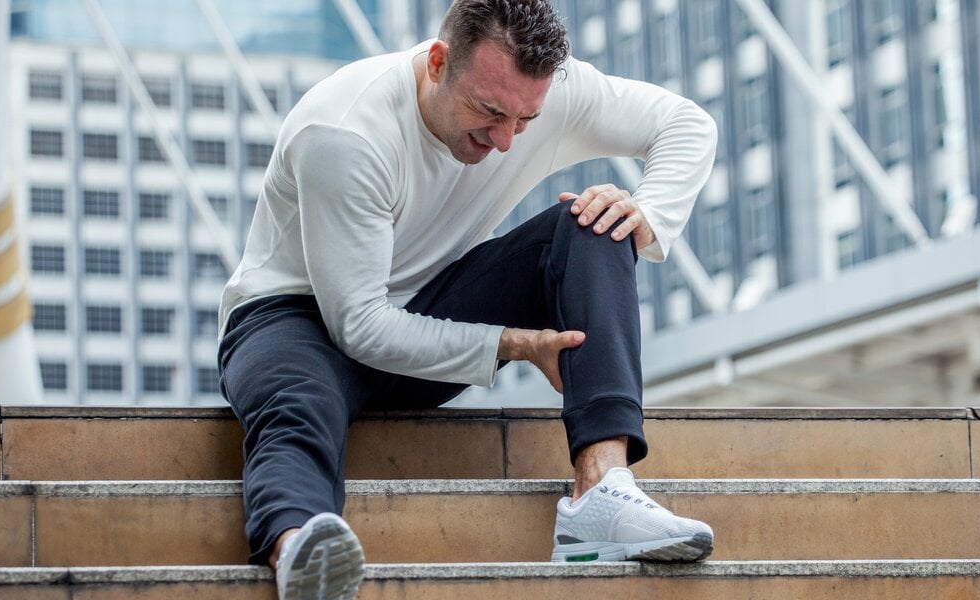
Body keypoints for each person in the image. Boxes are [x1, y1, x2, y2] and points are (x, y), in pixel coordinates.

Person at [217, 1, 718, 598]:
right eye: (489, 111)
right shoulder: (346, 132)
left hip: (430, 306)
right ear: (437, 62)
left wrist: (647, 211)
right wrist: (514, 344)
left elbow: (687, 124)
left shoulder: (550, 93)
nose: (505, 140)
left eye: (525, 121)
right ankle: (300, 547)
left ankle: (602, 491)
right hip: (295, 319)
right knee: (301, 403)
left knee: (595, 219)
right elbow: (360, 327)